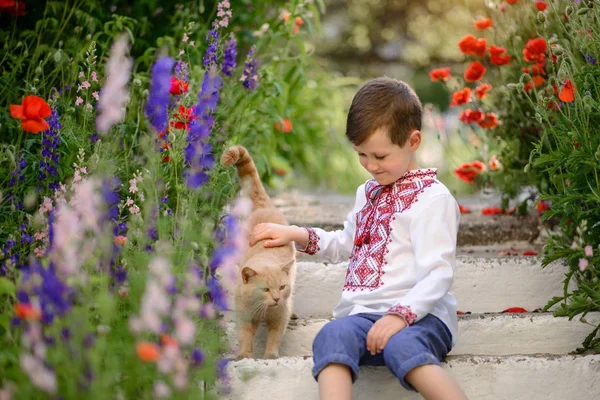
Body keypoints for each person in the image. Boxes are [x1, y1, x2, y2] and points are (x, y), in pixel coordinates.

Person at [249, 77, 467, 400]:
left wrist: (399, 315)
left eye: (380, 156)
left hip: (422, 318)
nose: (370, 166)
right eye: (362, 155)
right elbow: (345, 244)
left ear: (413, 141)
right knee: (331, 336)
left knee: (401, 345)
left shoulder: (433, 200)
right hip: (363, 316)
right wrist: (296, 235)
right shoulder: (366, 194)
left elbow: (438, 275)